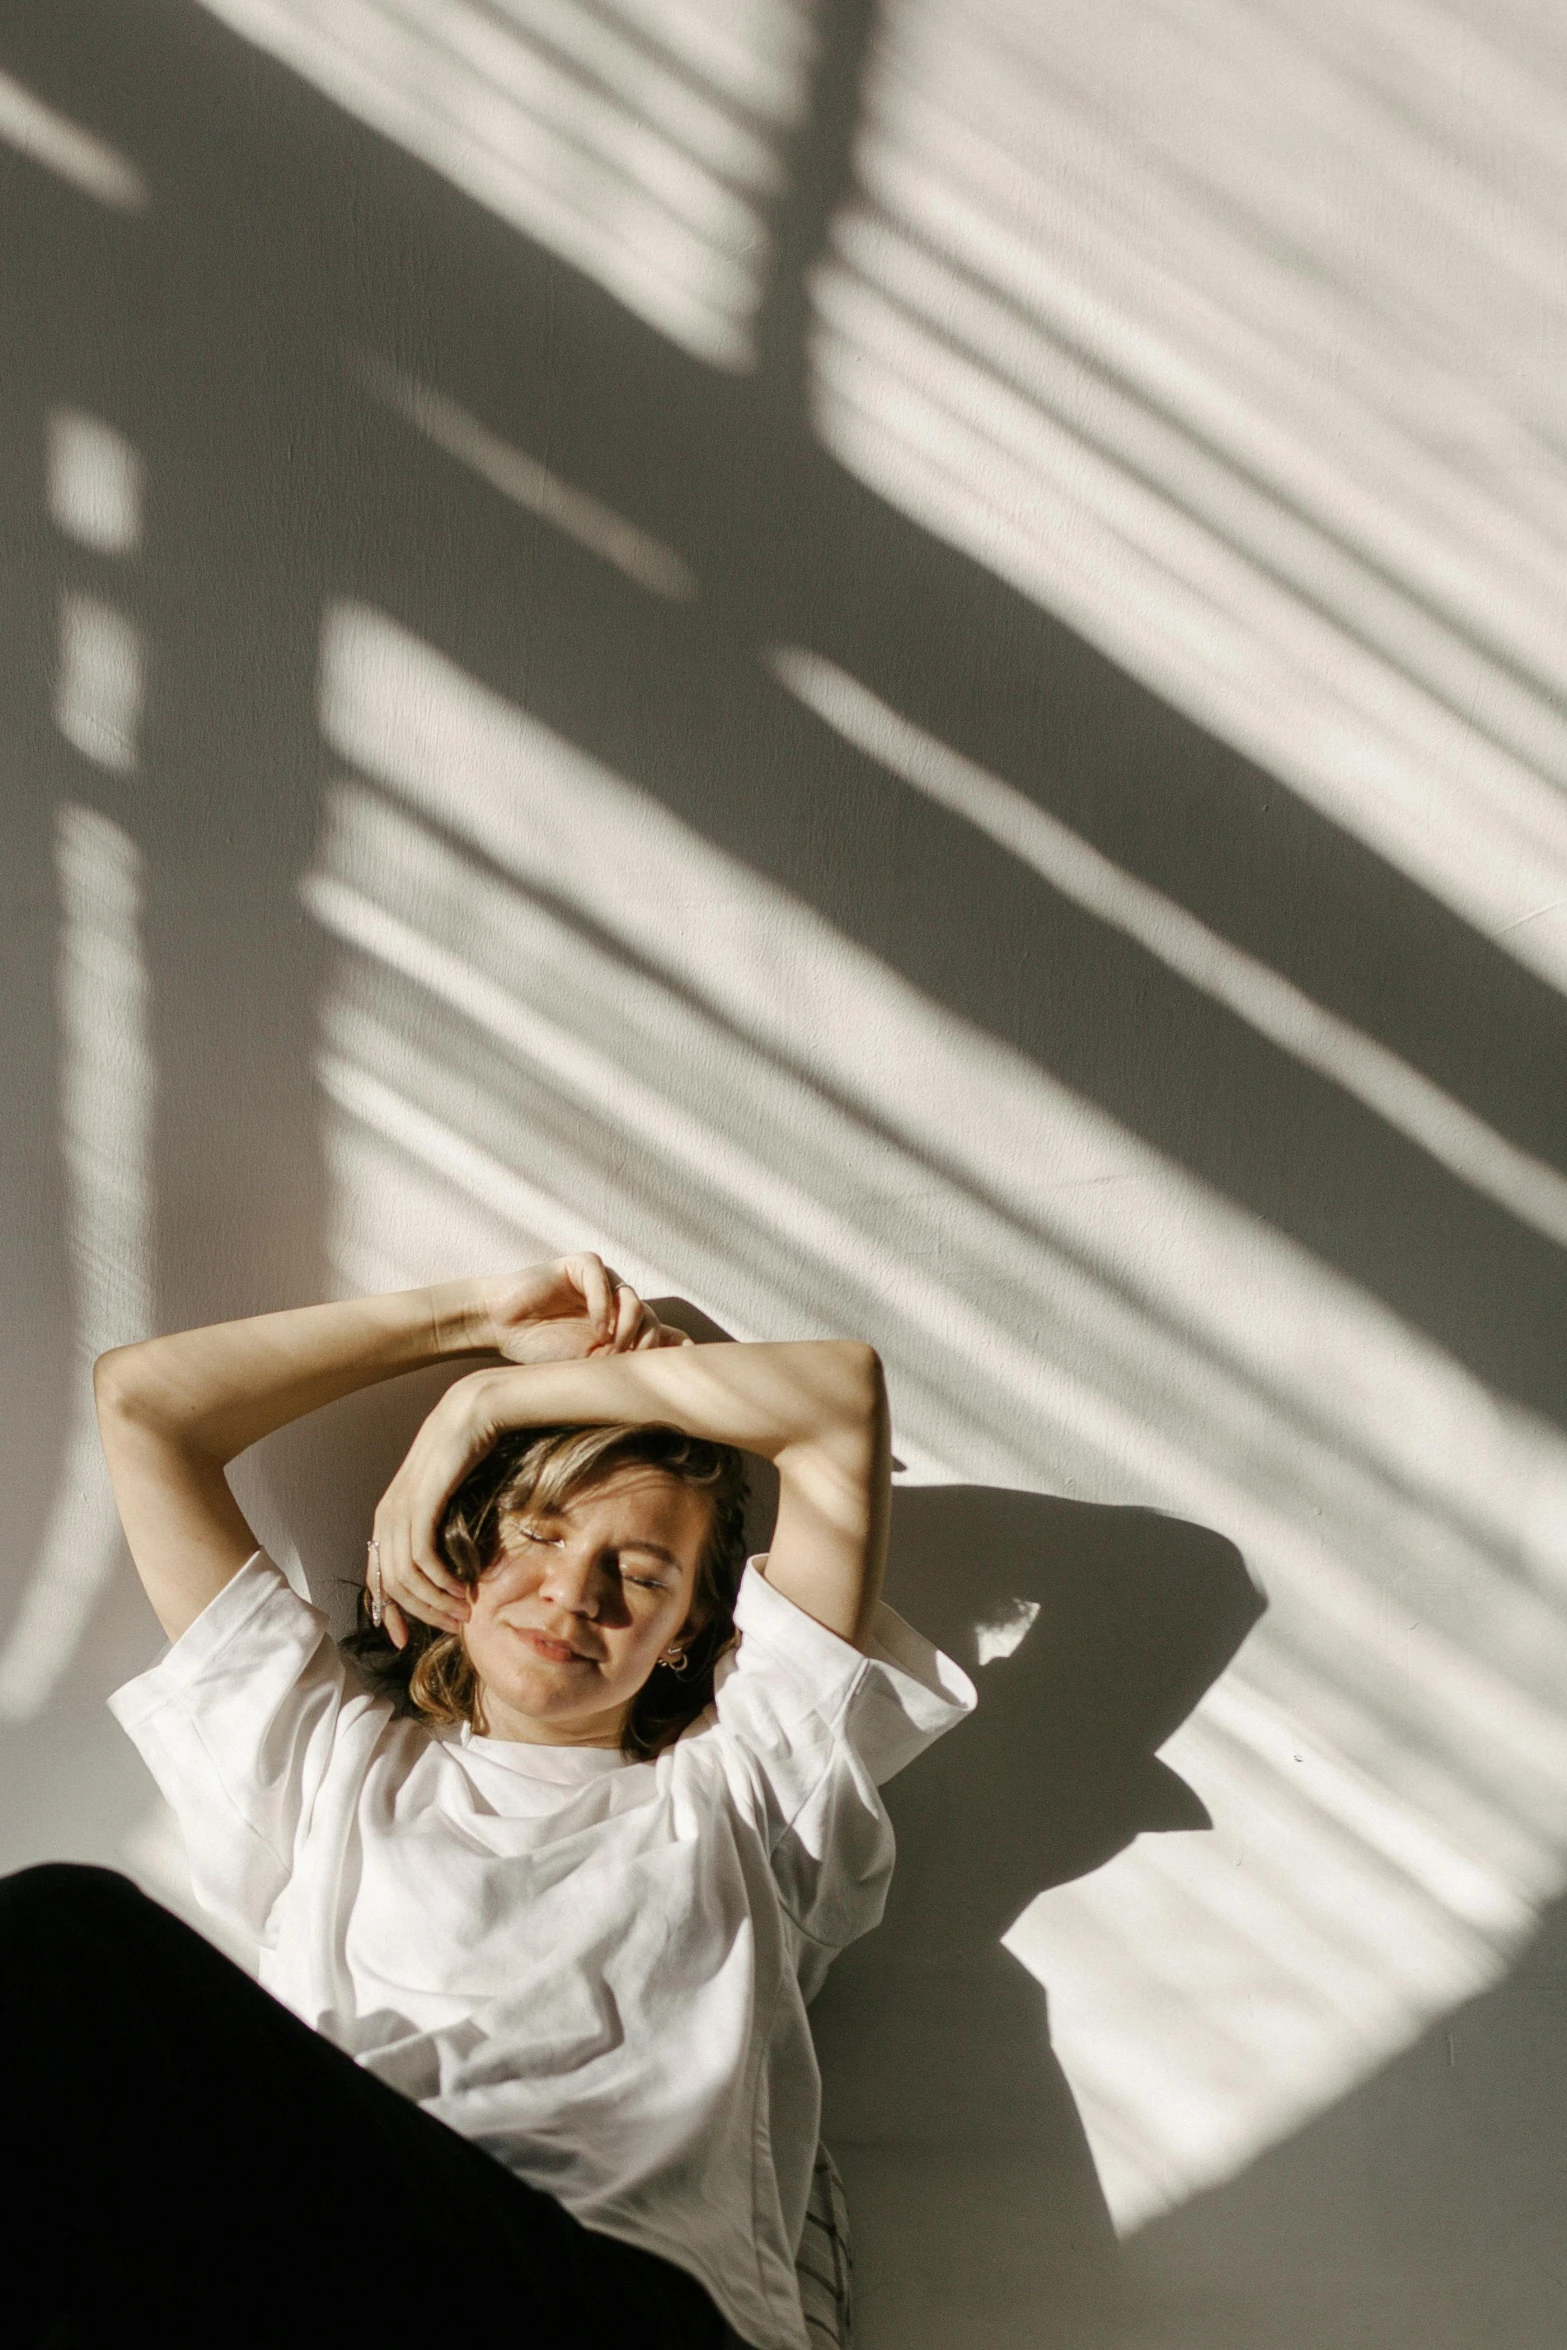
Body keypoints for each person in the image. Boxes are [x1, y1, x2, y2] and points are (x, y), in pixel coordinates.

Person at [4, 1256, 974, 2350]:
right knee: (46, 1946)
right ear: (458, 1547)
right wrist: (469, 1318)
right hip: (332, 2269)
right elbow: (145, 1404)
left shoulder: (751, 1791)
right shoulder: (328, 1767)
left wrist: (485, 1401)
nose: (575, 1592)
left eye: (643, 1572)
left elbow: (839, 1398)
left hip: (622, 2302)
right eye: (542, 1534)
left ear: (687, 1638)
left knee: (68, 1939)